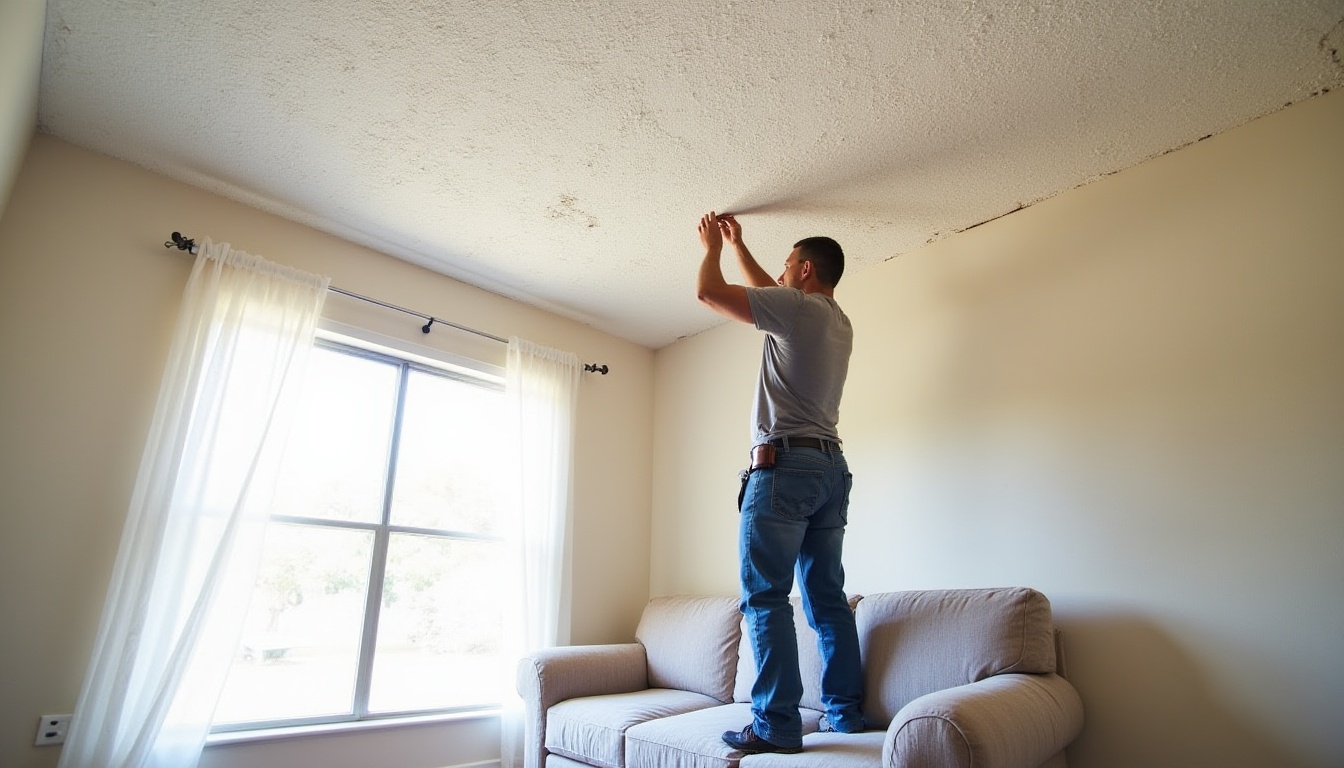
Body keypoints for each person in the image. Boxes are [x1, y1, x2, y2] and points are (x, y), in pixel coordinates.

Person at [695, 211, 864, 755]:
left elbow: (708, 293)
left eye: (789, 263)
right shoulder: (836, 321)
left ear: (806, 269)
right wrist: (739, 245)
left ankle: (775, 725)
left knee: (765, 597)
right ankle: (846, 715)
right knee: (828, 600)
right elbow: (773, 290)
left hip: (784, 468)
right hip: (830, 471)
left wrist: (712, 248)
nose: (783, 270)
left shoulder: (795, 309)